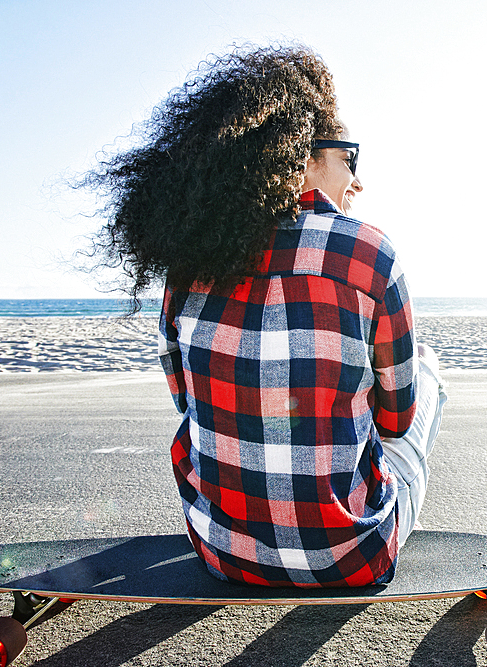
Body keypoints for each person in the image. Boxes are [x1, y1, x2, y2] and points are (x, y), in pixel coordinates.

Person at [83, 44, 446, 588]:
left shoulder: (188, 267)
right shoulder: (368, 254)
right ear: (302, 154)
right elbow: (395, 421)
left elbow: (188, 400)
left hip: (222, 555)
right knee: (427, 369)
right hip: (351, 559)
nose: (357, 179)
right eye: (349, 157)